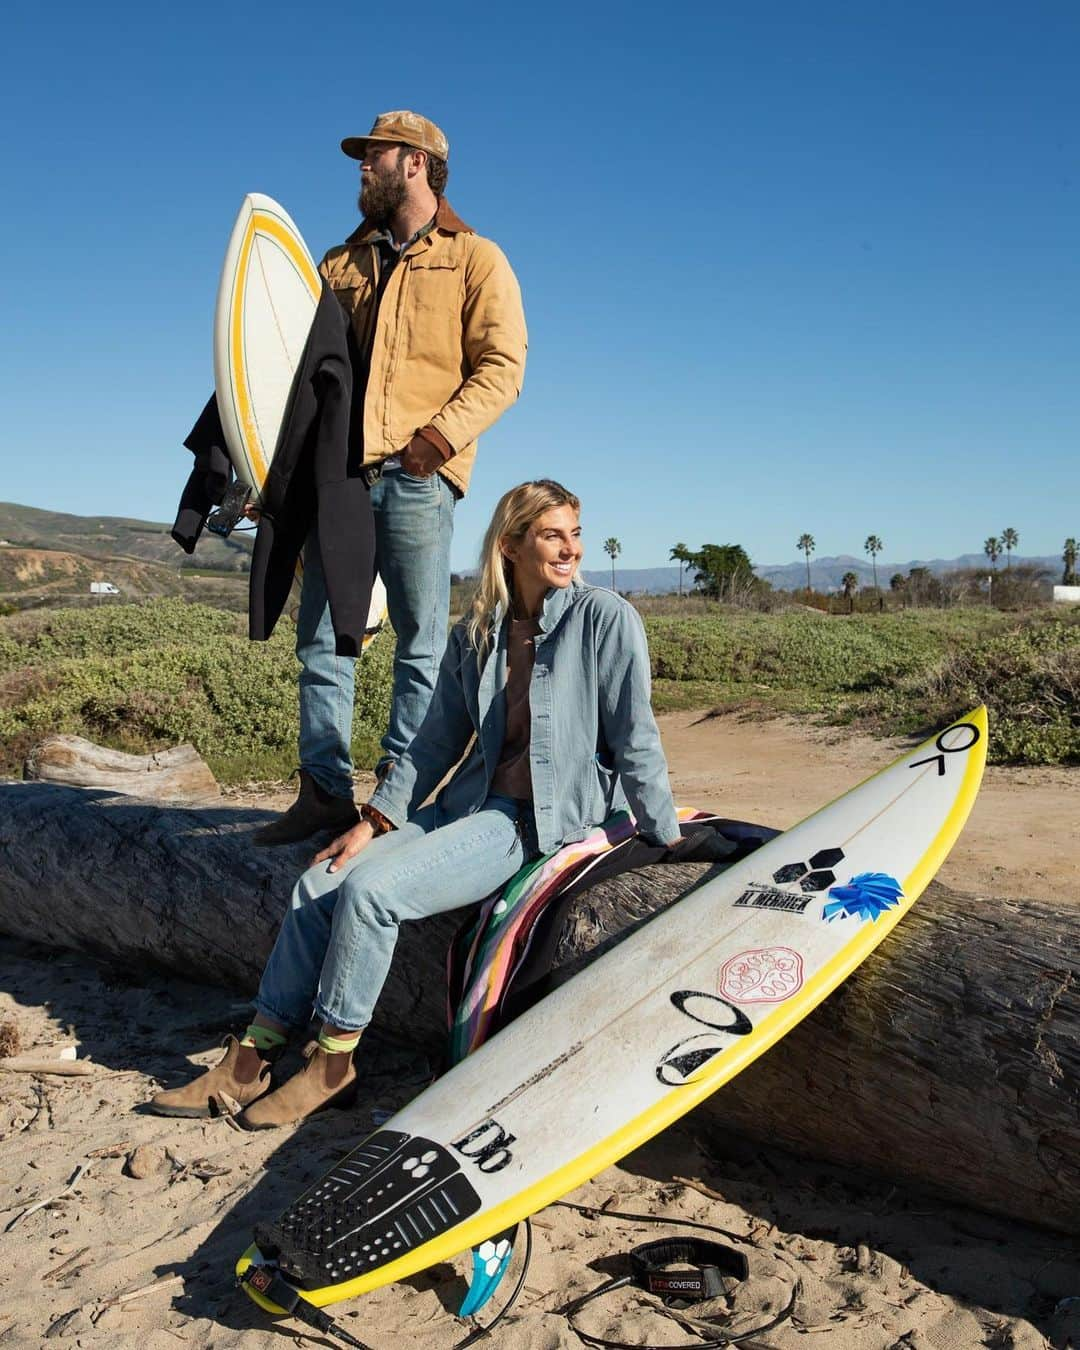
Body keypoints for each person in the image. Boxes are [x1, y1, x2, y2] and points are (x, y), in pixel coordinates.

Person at [150, 480, 681, 1127]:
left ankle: (333, 1060)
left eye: (574, 533)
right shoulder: (479, 629)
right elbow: (433, 742)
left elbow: (636, 735)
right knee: (323, 881)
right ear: (511, 544)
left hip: (530, 824)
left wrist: (664, 837)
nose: (570, 548)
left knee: (373, 894)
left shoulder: (605, 619)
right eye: (552, 535)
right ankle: (251, 1057)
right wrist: (373, 822)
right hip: (467, 807)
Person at [255, 109, 528, 846]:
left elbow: (502, 367)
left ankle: (397, 803)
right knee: (320, 639)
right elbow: (290, 370)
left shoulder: (476, 258)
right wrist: (266, 464)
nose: (360, 169)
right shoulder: (339, 264)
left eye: (370, 156)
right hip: (333, 480)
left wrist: (434, 442)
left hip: (416, 477)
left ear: (414, 162)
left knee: (418, 642)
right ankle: (323, 794)